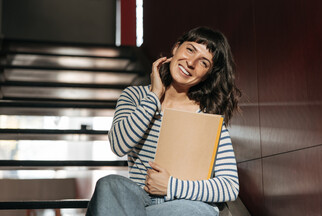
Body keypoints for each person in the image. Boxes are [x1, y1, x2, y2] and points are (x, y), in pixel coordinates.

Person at [86, 26, 241, 216]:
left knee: (198, 211)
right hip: (136, 202)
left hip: (182, 206)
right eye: (190, 49)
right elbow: (119, 145)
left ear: (207, 75)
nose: (191, 63)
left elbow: (230, 186)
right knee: (110, 183)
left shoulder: (208, 117)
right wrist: (154, 97)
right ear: (176, 48)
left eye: (204, 63)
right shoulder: (135, 96)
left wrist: (172, 186)